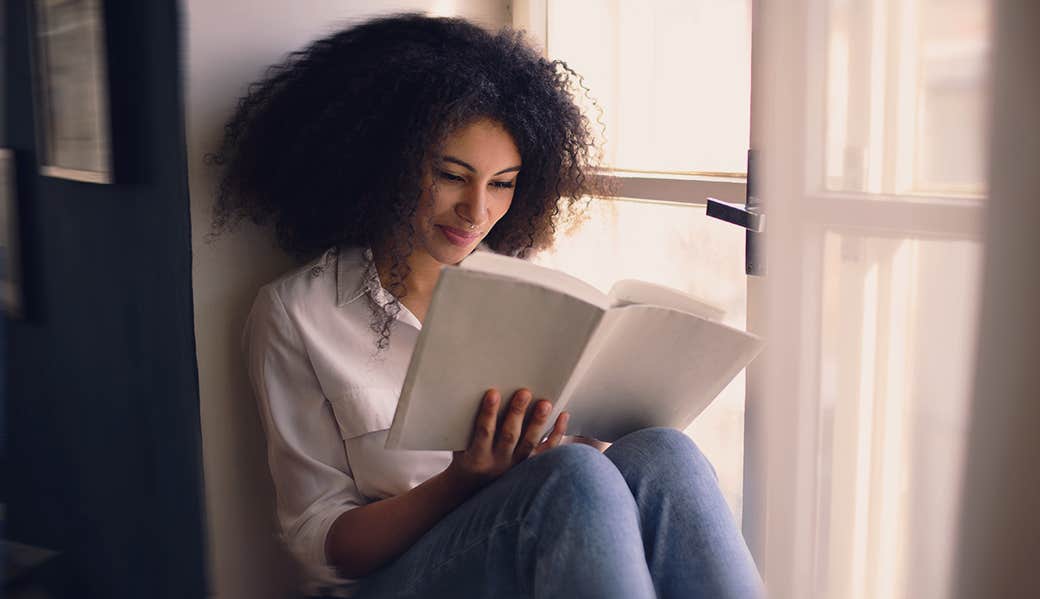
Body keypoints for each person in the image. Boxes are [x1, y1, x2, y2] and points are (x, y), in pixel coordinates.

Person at [211, 13, 762, 599]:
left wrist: (585, 436)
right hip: (394, 581)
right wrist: (463, 480)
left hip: (531, 540)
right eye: (452, 176)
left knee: (660, 451)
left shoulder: (530, 294)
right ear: (386, 163)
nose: (476, 211)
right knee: (571, 479)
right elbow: (321, 545)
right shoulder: (298, 314)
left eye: (503, 183)